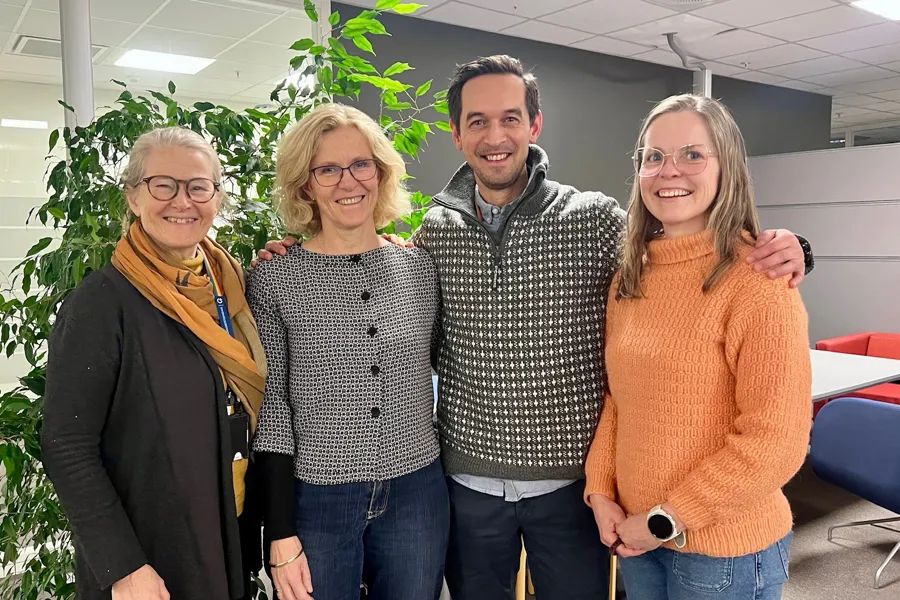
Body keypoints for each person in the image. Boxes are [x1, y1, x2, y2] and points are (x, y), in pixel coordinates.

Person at [258, 55, 814, 600]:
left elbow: (676, 247)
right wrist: (287, 255)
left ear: (534, 125)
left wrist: (793, 250)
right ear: (456, 133)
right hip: (465, 481)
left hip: (573, 486)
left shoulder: (593, 219)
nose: (494, 135)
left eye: (509, 118)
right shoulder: (432, 235)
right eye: (477, 120)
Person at [585, 93, 812, 600]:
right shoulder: (631, 276)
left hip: (724, 550)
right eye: (654, 156)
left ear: (726, 166)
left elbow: (776, 441)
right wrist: (602, 490)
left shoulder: (757, 277)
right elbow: (620, 401)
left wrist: (668, 519)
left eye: (693, 154)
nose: (670, 171)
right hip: (639, 537)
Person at [41, 127, 265, 600]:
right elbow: (66, 445)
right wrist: (124, 568)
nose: (182, 201)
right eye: (163, 185)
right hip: (153, 558)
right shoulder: (101, 304)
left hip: (226, 532)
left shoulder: (233, 287)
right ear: (134, 196)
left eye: (198, 186)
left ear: (217, 197)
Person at [247, 102, 448, 600]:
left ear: (380, 173)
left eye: (360, 165)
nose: (348, 182)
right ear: (305, 185)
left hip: (416, 489)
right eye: (327, 170)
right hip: (317, 496)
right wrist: (280, 533)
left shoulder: (419, 268)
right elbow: (272, 412)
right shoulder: (275, 277)